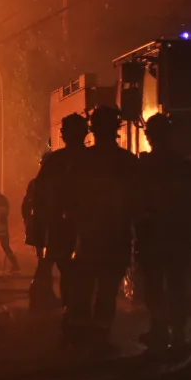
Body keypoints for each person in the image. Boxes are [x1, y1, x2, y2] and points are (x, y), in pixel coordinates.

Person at [66, 106, 138, 351]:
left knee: (84, 287)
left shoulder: (82, 161)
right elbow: (137, 202)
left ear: (92, 129)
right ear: (116, 128)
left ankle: (78, 335)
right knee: (107, 289)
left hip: (88, 237)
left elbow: (70, 201)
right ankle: (99, 336)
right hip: (116, 238)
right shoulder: (127, 162)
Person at [136, 113, 191, 349]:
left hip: (152, 237)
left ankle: (159, 328)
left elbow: (135, 202)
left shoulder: (144, 167)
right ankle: (177, 330)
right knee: (176, 283)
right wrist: (190, 232)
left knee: (155, 284)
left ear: (149, 136)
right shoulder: (185, 167)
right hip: (176, 237)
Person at [34, 114, 89, 333]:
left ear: (63, 134)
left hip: (63, 231)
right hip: (89, 230)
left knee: (69, 275)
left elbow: (40, 200)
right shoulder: (94, 160)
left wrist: (41, 235)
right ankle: (83, 320)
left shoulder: (54, 163)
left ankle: (73, 317)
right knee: (85, 277)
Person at [24, 151, 59, 311]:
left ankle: (40, 294)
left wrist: (29, 225)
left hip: (40, 229)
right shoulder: (53, 184)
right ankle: (42, 294)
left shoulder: (35, 183)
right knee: (46, 263)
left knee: (44, 262)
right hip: (49, 229)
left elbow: (25, 207)